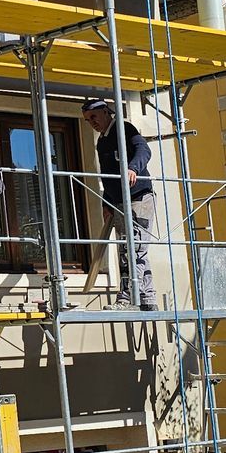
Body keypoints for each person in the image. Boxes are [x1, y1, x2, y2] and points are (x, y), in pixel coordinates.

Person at [82, 96, 156, 310]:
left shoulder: (124, 129)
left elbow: (144, 150)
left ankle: (127, 298)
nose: (92, 123)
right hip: (119, 203)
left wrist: (133, 168)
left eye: (94, 117)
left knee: (133, 248)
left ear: (106, 112)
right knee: (131, 248)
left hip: (138, 197)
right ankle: (147, 298)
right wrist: (107, 203)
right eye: (87, 120)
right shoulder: (102, 141)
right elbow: (107, 176)